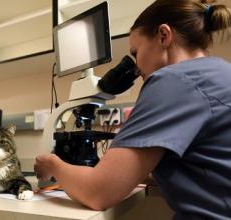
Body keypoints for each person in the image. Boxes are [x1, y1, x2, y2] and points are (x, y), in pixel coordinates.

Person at [34, 0, 231, 219]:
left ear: (164, 36)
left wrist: (52, 164)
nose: (136, 67)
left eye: (135, 53)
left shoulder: (174, 80)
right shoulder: (219, 72)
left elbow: (98, 192)